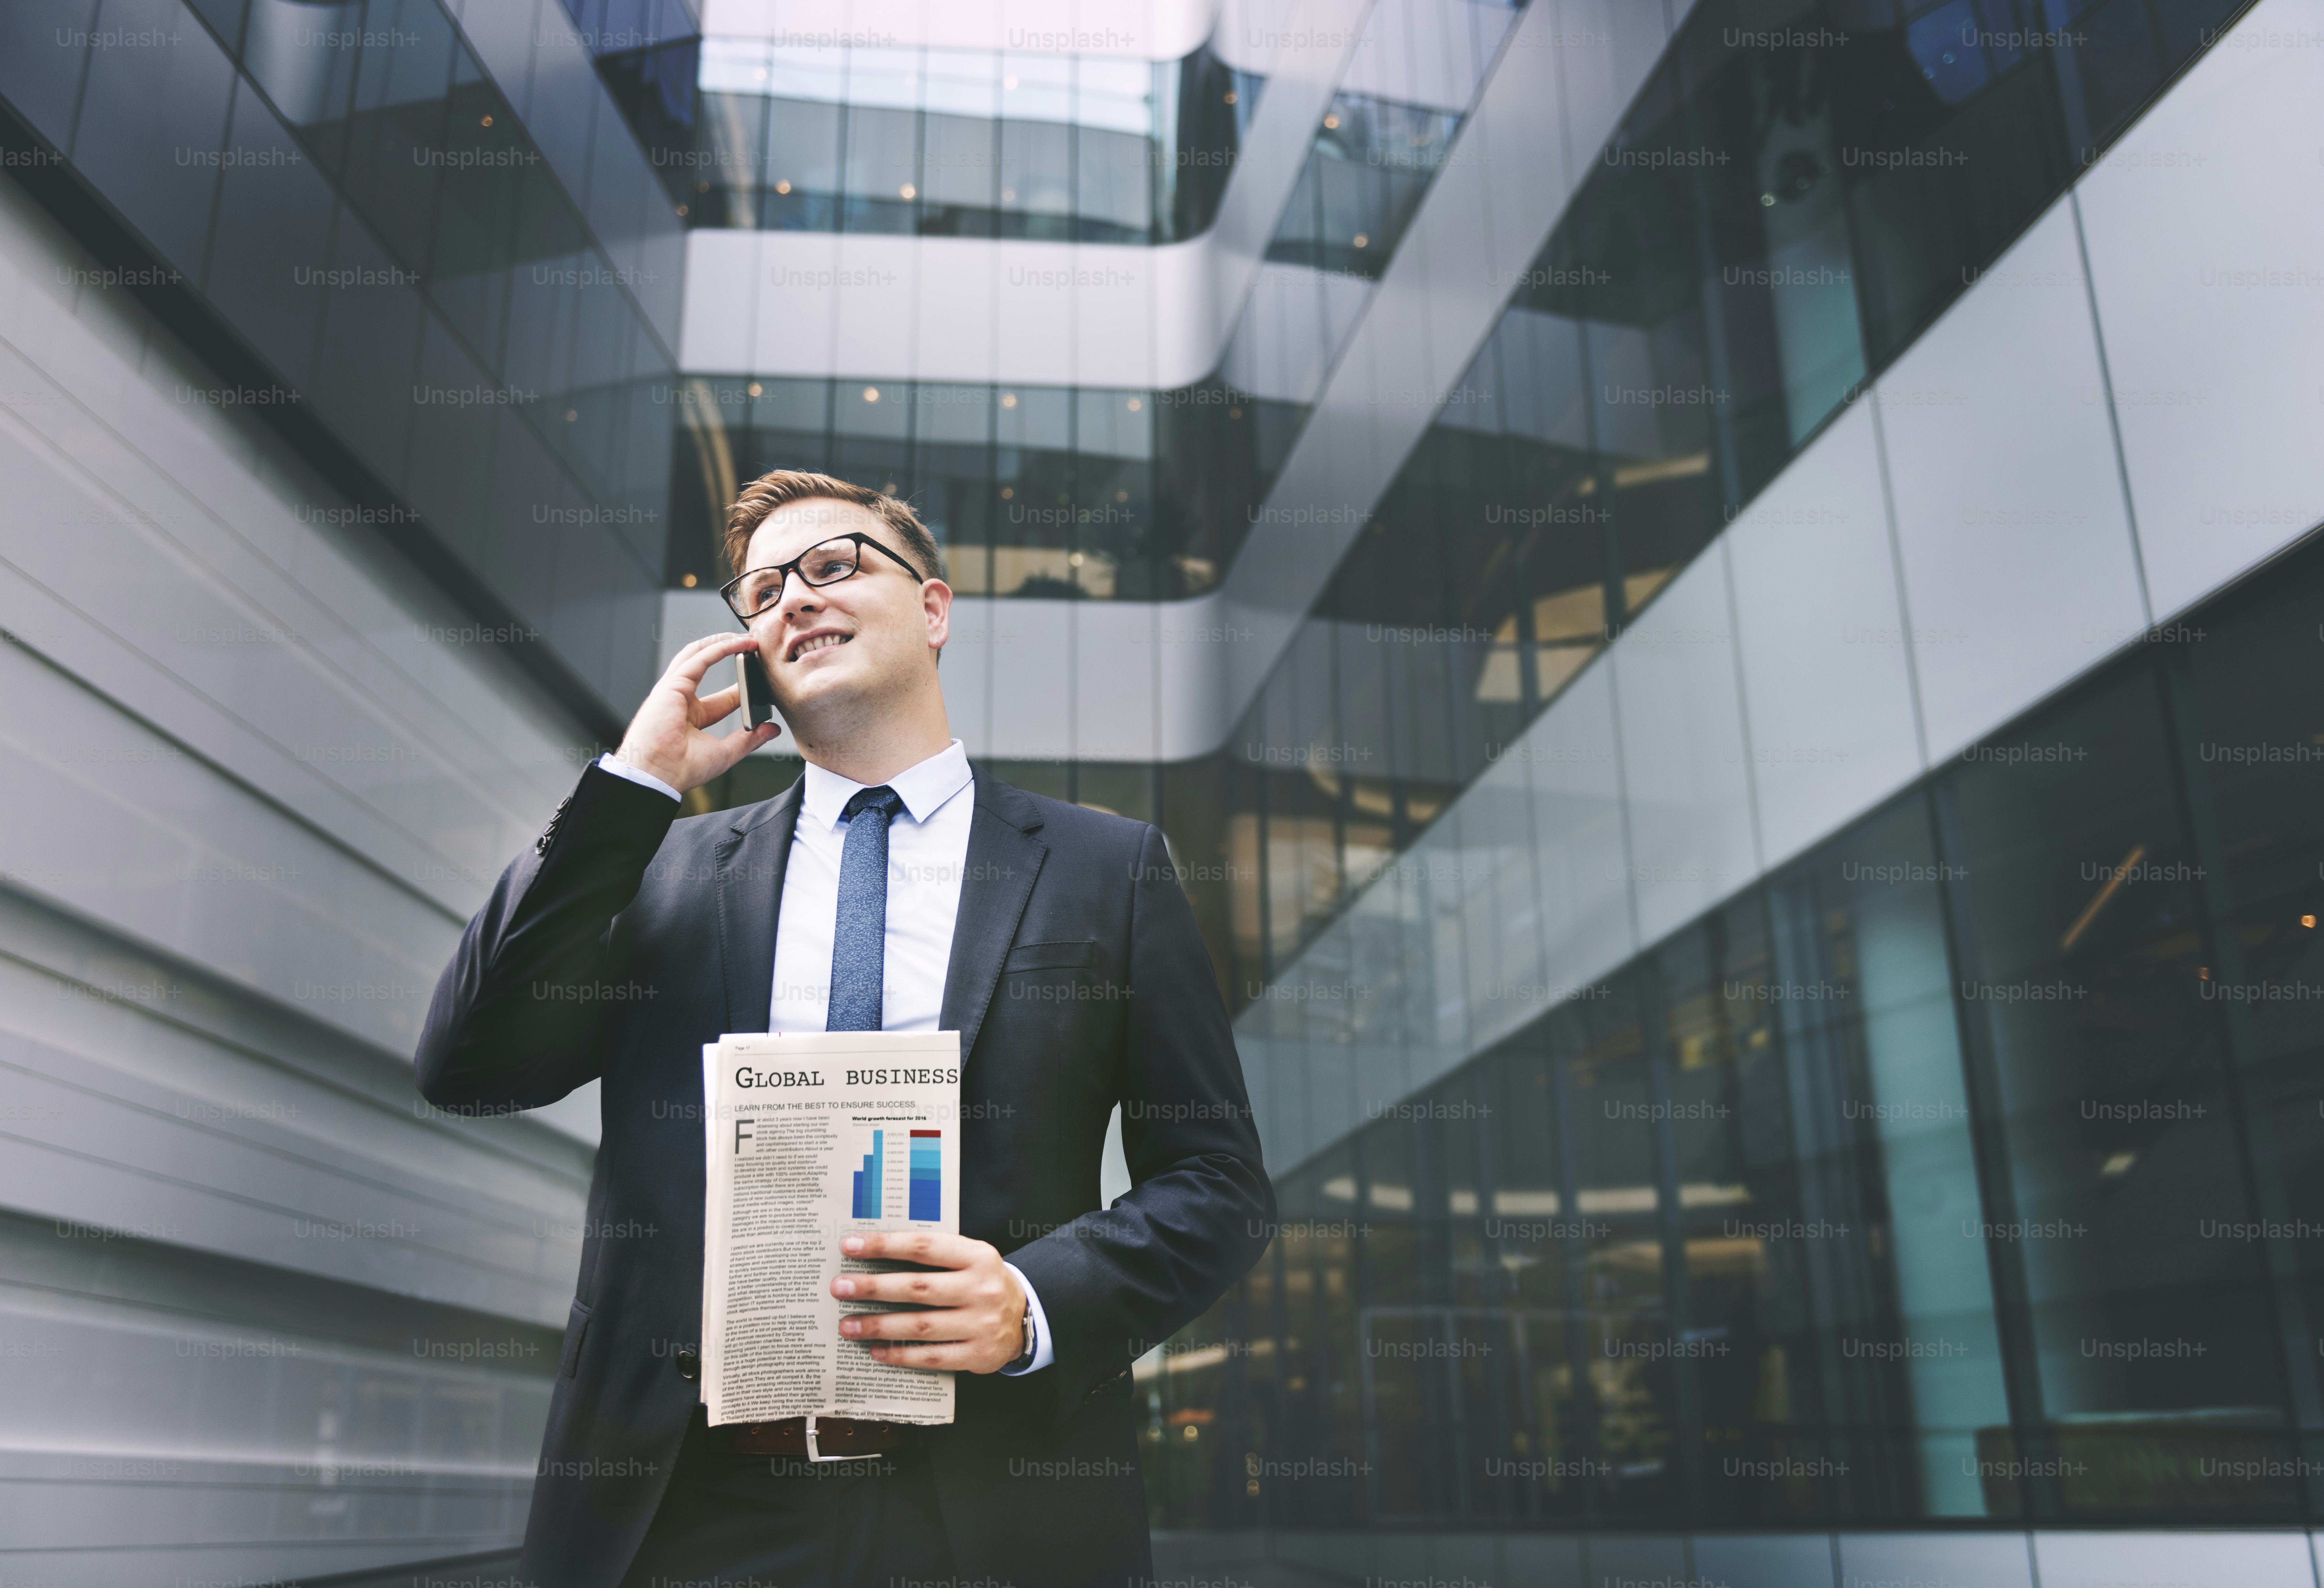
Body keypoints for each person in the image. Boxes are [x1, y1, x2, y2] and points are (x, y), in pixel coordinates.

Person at [416, 471, 1273, 1588]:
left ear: (933, 608)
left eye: (835, 565)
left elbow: (1217, 1183)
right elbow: (469, 1066)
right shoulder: (662, 867)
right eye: (763, 590)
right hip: (683, 1507)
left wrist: (1030, 1303)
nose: (794, 599)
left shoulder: (1106, 870)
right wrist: (634, 784)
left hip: (988, 1507)